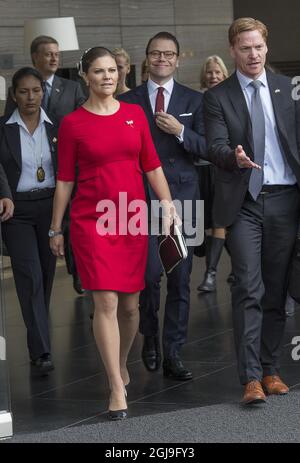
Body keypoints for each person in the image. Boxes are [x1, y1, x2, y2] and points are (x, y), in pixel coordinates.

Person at [49, 47, 176, 420]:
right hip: (92, 222)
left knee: (131, 306)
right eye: (99, 71)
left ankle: (120, 362)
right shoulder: (72, 123)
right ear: (85, 75)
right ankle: (115, 387)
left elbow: (152, 167)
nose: (107, 77)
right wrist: (56, 228)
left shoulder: (136, 115)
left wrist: (168, 205)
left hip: (132, 218)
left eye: (111, 71)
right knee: (103, 302)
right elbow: (64, 181)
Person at [204, 17, 300, 405]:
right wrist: (234, 156)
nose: (253, 53)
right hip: (244, 202)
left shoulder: (287, 89)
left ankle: (271, 368)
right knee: (248, 285)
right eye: (245, 47)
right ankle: (250, 379)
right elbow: (214, 146)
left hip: (286, 199)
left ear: (266, 47)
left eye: (258, 46)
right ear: (233, 51)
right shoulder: (217, 96)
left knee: (276, 291)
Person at [119, 32, 206, 380]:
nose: (162, 59)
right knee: (149, 276)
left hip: (184, 200)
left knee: (181, 279)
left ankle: (174, 352)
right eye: (156, 54)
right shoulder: (127, 100)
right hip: (141, 198)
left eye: (168, 54)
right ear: (147, 58)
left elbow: (205, 148)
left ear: (177, 59)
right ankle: (150, 336)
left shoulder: (195, 100)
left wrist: (181, 130)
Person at [4, 35, 86, 295]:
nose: (54, 58)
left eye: (57, 53)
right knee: (32, 275)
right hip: (20, 202)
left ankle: (76, 274)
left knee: (51, 265)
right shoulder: (9, 117)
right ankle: (40, 333)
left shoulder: (68, 99)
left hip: (55, 192)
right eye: (48, 53)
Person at [0, 67, 58, 375]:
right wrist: (4, 193)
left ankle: (40, 336)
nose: (31, 96)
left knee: (46, 277)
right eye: (24, 91)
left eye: (36, 90)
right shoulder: (2, 128)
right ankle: (41, 350)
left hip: (50, 208)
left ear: (43, 92)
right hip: (17, 211)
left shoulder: (56, 127)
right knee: (30, 276)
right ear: (14, 95)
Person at [196, 55, 230, 292]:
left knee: (219, 221)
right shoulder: (196, 100)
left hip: (222, 169)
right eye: (209, 72)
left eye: (218, 72)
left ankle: (211, 274)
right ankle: (238, 266)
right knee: (205, 223)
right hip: (198, 169)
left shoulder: (230, 99)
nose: (214, 76)